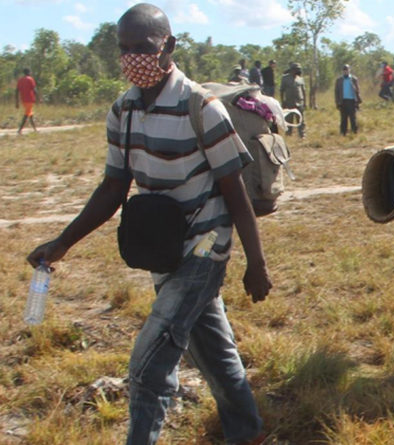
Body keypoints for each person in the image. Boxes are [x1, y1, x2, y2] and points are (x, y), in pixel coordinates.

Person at [26, 5, 271, 444]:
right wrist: (62, 243)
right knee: (209, 346)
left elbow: (235, 192)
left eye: (143, 47)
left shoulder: (201, 107)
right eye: (124, 49)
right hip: (162, 247)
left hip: (204, 246)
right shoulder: (124, 111)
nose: (132, 57)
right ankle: (246, 430)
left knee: (149, 360)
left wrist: (257, 263)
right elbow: (112, 189)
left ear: (168, 46)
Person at [280, 62, 306, 138]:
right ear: (292, 70)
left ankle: (302, 134)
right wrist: (283, 101)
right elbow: (282, 90)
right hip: (289, 102)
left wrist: (305, 102)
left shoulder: (300, 79)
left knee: (301, 119)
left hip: (299, 101)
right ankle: (288, 134)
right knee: (289, 119)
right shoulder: (285, 78)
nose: (298, 71)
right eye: (296, 69)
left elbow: (303, 91)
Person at [334, 64, 361, 135]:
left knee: (353, 118)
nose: (346, 71)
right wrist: (337, 102)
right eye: (344, 70)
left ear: (349, 70)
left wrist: (357, 101)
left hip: (352, 101)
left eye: (347, 70)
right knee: (343, 119)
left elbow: (357, 90)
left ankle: (354, 133)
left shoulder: (354, 79)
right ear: (342, 71)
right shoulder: (339, 80)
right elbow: (336, 92)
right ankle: (343, 133)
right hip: (343, 101)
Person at [16, 68, 39, 134]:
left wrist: (17, 101)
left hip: (23, 100)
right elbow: (34, 89)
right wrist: (38, 98)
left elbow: (17, 91)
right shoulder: (30, 79)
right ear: (29, 72)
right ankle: (20, 129)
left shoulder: (20, 80)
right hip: (30, 99)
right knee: (26, 114)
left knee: (30, 114)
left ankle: (35, 129)